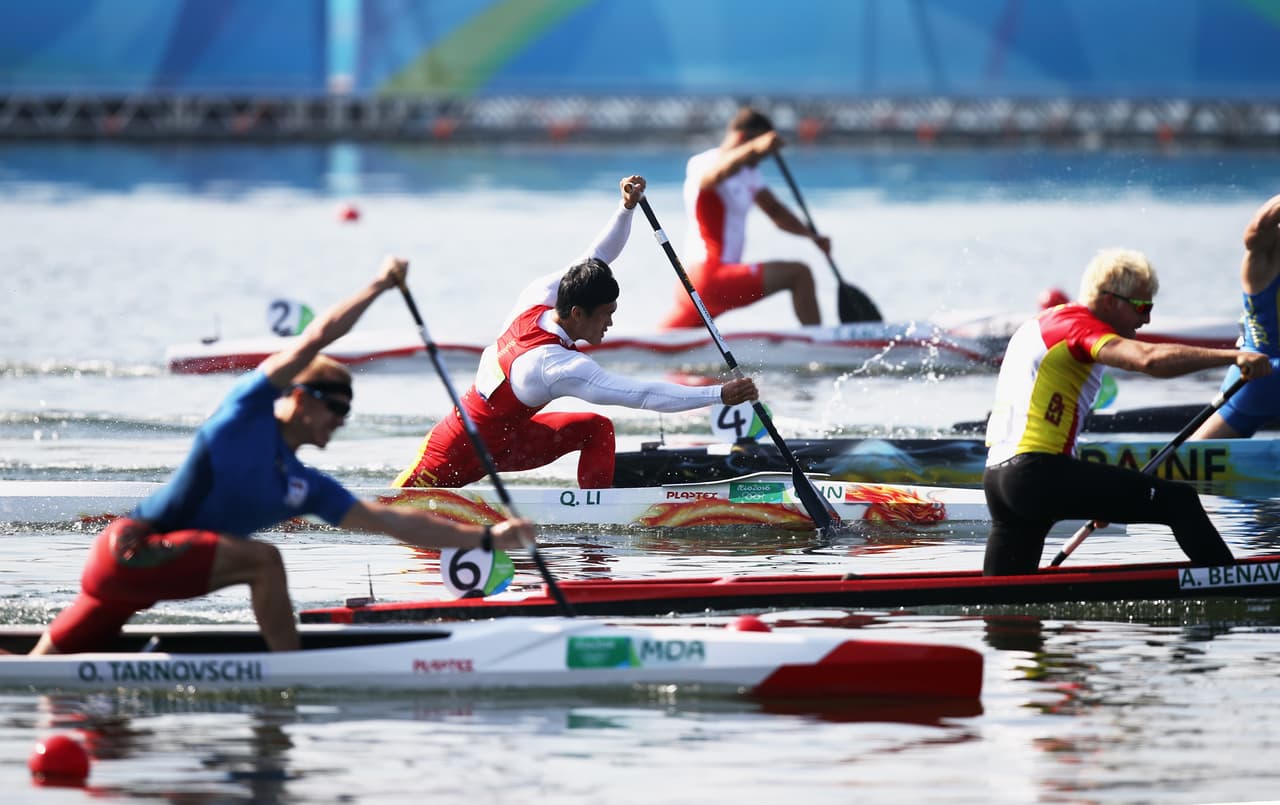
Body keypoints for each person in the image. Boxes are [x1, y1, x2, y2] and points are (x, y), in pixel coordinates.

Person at [31, 256, 535, 655]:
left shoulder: (305, 485)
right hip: (132, 552)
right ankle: (288, 677)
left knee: (41, 672)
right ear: (301, 398)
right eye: (337, 406)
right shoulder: (244, 413)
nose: (343, 418)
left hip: (138, 578)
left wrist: (485, 536)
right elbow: (318, 337)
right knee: (266, 561)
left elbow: (394, 524)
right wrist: (379, 286)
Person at [394, 175, 759, 490]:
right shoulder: (555, 364)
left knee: (595, 429)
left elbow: (597, 254)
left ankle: (593, 513)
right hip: (456, 452)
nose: (610, 325)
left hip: (511, 440)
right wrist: (718, 394)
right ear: (576, 312)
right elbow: (642, 394)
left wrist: (627, 207)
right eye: (605, 316)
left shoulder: (541, 295)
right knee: (405, 530)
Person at [982, 248, 1272, 576]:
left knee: (1002, 599)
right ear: (1109, 300)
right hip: (1038, 475)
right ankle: (1232, 586)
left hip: (1000, 479)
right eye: (1141, 307)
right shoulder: (1078, 327)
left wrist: (1096, 496)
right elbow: (1148, 359)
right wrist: (1233, 357)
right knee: (1180, 501)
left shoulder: (1042, 322)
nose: (1147, 319)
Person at [658, 106, 827, 330]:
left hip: (709, 285)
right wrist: (755, 149)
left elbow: (776, 211)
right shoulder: (703, 162)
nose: (760, 160)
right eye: (761, 154)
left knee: (664, 349)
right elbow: (715, 176)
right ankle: (817, 343)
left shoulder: (750, 174)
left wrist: (813, 236)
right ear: (743, 137)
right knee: (799, 274)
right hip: (708, 277)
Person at [1190, 193, 1280, 439]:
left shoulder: (1265, 255)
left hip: (1248, 382)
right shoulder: (1269, 251)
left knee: (1190, 457)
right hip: (1262, 373)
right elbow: (1258, 229)